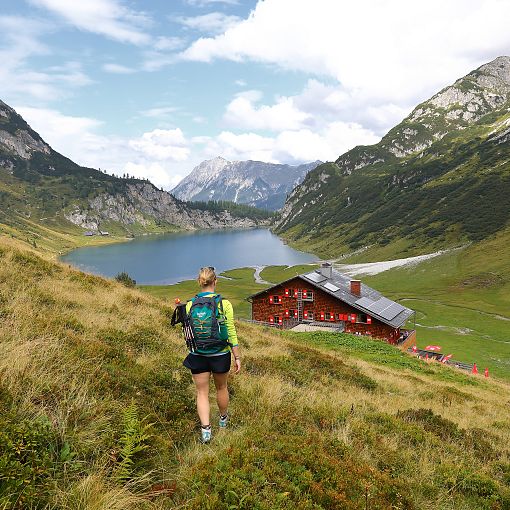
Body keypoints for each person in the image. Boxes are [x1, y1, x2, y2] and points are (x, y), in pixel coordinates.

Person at [182, 266, 241, 443]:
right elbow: (230, 332)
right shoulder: (224, 304)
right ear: (215, 281)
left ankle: (206, 431)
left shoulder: (190, 305)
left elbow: (188, 331)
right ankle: (223, 421)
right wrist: (237, 356)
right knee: (221, 388)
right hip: (220, 354)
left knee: (202, 393)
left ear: (199, 282)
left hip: (197, 354)